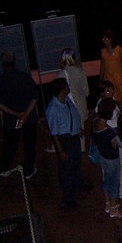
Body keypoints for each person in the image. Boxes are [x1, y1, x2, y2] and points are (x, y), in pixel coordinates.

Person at [0, 51, 38, 178]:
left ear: (2, 64)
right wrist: (26, 114)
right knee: (29, 144)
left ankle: (3, 168)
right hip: (29, 119)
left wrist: (17, 114)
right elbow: (34, 98)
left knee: (10, 145)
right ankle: (28, 170)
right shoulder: (25, 77)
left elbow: (0, 105)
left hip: (12, 120)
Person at [46, 77, 90, 208]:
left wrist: (78, 129)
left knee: (75, 163)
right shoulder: (53, 109)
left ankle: (78, 185)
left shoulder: (66, 100)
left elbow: (72, 116)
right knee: (67, 169)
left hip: (73, 136)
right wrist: (60, 151)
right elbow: (54, 133)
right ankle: (68, 197)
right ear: (62, 89)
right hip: (65, 139)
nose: (68, 88)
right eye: (66, 86)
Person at [91, 99, 122, 218]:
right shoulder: (108, 132)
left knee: (106, 179)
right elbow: (117, 143)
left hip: (103, 156)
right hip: (112, 158)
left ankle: (107, 203)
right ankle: (113, 209)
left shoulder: (95, 122)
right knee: (114, 182)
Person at [58, 48, 89, 152]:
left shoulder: (61, 74)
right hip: (80, 104)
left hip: (69, 105)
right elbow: (86, 91)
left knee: (71, 127)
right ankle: (82, 147)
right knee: (81, 126)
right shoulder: (80, 71)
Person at [99, 30, 122, 104]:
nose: (105, 41)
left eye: (107, 39)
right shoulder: (103, 51)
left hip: (118, 76)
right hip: (108, 77)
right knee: (110, 95)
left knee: (121, 96)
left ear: (111, 40)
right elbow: (102, 66)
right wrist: (101, 79)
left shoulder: (119, 50)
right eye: (103, 39)